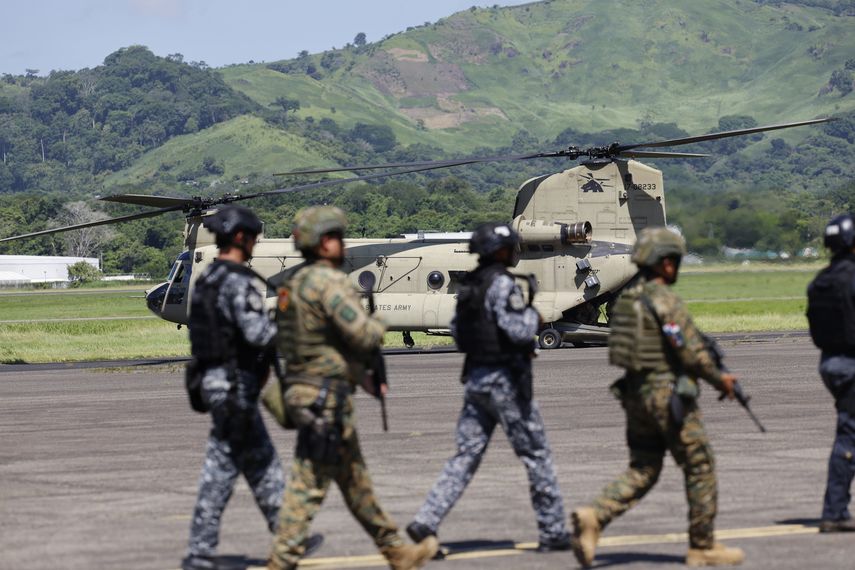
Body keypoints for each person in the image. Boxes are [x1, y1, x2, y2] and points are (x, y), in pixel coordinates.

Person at [267, 206, 437, 570]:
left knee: (355, 481)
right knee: (308, 485)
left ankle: (396, 551)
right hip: (324, 399)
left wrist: (360, 376)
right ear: (322, 243)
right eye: (336, 238)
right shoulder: (329, 283)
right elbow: (362, 333)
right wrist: (378, 321)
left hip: (306, 392)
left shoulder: (292, 285)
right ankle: (281, 561)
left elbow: (315, 344)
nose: (342, 244)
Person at [571, 227, 745, 568]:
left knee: (644, 468)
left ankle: (595, 516)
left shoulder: (628, 302)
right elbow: (692, 353)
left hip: (635, 395)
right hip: (667, 397)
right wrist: (720, 380)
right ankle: (703, 545)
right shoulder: (664, 300)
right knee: (700, 466)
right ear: (665, 264)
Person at [406, 222, 571, 552]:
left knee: (465, 456)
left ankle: (426, 520)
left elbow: (456, 330)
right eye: (510, 247)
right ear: (500, 251)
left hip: (477, 380)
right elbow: (519, 330)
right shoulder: (503, 284)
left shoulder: (470, 286)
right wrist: (534, 318)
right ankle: (553, 530)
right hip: (506, 382)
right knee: (537, 454)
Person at [182, 205, 292, 570]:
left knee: (264, 465)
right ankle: (199, 552)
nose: (255, 245)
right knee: (222, 470)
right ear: (242, 238)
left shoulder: (207, 280)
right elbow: (258, 334)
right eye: (254, 239)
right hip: (234, 387)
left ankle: (290, 536)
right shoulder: (238, 282)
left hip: (214, 382)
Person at [806, 213, 855, 533]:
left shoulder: (821, 280)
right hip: (852, 365)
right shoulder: (852, 278)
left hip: (830, 363)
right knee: (848, 436)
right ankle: (834, 511)